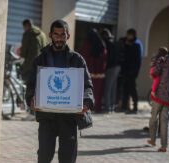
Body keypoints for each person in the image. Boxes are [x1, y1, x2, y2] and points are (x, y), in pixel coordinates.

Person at [25, 20, 94, 163]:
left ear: (68, 36)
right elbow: (31, 85)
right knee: (44, 156)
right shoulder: (40, 59)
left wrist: (86, 103)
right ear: (50, 35)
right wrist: (31, 98)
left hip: (68, 118)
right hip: (46, 117)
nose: (59, 38)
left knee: (68, 158)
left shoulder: (77, 60)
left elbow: (87, 86)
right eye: (56, 34)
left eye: (62, 34)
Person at [20, 19, 47, 121]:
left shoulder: (28, 34)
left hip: (31, 66)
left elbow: (24, 51)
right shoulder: (42, 34)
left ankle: (31, 113)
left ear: (26, 26)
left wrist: (21, 62)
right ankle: (38, 111)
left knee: (31, 89)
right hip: (42, 66)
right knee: (39, 89)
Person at [79, 29, 107, 113]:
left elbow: (82, 56)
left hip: (89, 72)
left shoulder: (87, 44)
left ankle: (89, 107)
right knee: (98, 92)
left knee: (88, 90)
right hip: (100, 73)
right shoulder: (102, 45)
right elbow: (105, 58)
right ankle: (97, 107)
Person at [120, 29, 141, 114]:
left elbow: (138, 60)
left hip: (132, 71)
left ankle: (135, 107)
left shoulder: (136, 44)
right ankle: (124, 107)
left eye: (129, 35)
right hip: (126, 70)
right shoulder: (126, 43)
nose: (128, 36)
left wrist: (135, 71)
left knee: (133, 90)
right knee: (125, 89)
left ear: (133, 35)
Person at [101, 28, 122, 113]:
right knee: (113, 87)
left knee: (107, 88)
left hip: (111, 67)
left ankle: (107, 107)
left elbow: (108, 57)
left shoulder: (107, 43)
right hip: (118, 66)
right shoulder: (115, 42)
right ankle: (112, 107)